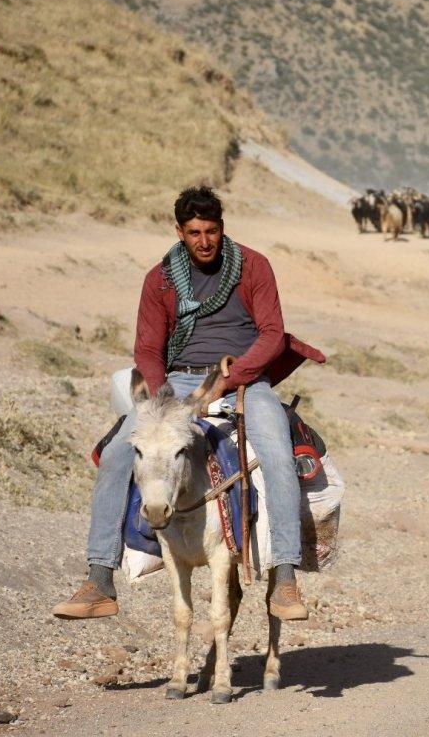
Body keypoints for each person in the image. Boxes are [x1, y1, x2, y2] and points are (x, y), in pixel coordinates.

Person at [53, 187, 324, 621]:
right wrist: (162, 399)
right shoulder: (159, 279)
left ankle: (286, 577)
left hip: (243, 380)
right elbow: (146, 348)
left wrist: (229, 380)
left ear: (222, 228)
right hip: (177, 380)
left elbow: (272, 334)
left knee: (276, 451)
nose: (204, 241)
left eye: (212, 231)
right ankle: (99, 578)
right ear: (179, 231)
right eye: (194, 232)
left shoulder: (254, 266)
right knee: (119, 453)